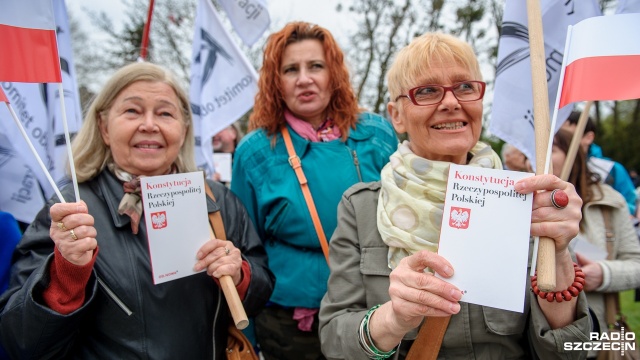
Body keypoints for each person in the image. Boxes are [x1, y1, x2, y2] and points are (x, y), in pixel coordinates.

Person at [319, 33, 591, 359]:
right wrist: (393, 318)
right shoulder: (361, 208)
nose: (451, 102)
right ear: (396, 116)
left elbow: (569, 352)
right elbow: (335, 340)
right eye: (428, 91)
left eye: (465, 87)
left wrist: (558, 253)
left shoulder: (526, 202)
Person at [0, 62, 274, 359]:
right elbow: (21, 340)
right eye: (132, 111)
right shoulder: (69, 212)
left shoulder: (217, 200)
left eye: (165, 113)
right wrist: (65, 275)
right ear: (104, 127)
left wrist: (239, 275)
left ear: (183, 130)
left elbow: (260, 292)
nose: (149, 125)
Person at [231, 21, 398, 360]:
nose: (304, 78)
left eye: (316, 66)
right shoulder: (254, 152)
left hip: (371, 308)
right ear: (276, 82)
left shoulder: (378, 135)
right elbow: (246, 251)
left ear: (333, 74)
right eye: (291, 69)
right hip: (289, 321)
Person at [552, 129, 640, 359]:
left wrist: (603, 274)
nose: (538, 156)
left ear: (572, 154)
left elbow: (637, 264)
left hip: (597, 342)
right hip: (539, 341)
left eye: (551, 149)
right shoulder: (519, 203)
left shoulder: (609, 202)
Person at [561, 111, 637, 215]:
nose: (564, 141)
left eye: (570, 136)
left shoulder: (612, 169)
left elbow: (632, 205)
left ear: (589, 137)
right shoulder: (553, 166)